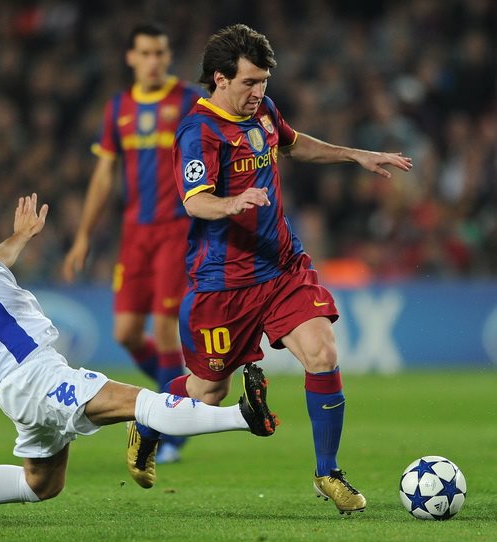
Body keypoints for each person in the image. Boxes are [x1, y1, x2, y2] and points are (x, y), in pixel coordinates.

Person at [0, 152, 274, 518]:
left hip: (19, 377)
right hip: (29, 370)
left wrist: (20, 237)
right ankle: (242, 416)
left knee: (41, 484)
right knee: (137, 402)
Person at [128, 24, 413, 514]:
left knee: (322, 352)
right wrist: (232, 202)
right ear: (220, 78)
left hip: (281, 267)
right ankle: (147, 421)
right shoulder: (199, 132)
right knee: (207, 392)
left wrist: (354, 155)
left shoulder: (262, 111)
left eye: (263, 82)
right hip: (223, 282)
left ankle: (328, 472)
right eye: (249, 82)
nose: (258, 92)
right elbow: (195, 202)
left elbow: (293, 143)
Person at [63, 23, 206, 464]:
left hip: (176, 229)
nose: (153, 61)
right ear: (131, 57)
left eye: (160, 53)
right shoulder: (118, 108)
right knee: (126, 333)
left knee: (163, 330)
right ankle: (173, 398)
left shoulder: (188, 100)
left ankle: (170, 430)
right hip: (135, 234)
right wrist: (83, 235)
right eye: (145, 53)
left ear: (168, 56)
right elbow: (104, 175)